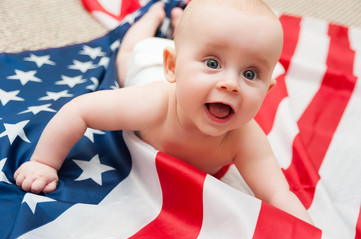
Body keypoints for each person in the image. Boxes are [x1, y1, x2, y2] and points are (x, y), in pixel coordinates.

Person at [14, 0, 314, 225]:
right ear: (173, 67)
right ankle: (156, 14)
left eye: (250, 74)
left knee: (198, 36)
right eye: (212, 63)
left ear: (269, 89)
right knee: (128, 54)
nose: (230, 84)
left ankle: (181, 23)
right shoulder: (152, 103)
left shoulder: (245, 138)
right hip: (149, 65)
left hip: (177, 57)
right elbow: (79, 110)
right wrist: (43, 162)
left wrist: (310, 230)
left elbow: (277, 194)